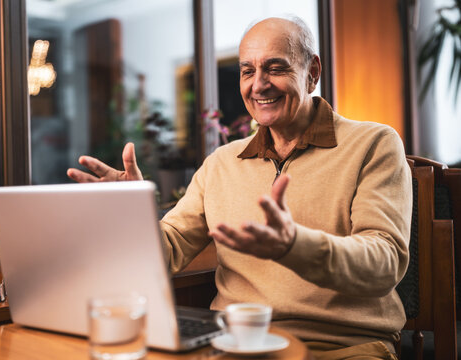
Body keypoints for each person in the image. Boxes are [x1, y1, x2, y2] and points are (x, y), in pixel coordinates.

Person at [68, 16, 411, 360]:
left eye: (275, 68)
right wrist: (131, 214)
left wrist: (294, 245)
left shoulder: (374, 144)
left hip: (338, 345)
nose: (259, 85)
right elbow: (169, 250)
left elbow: (385, 262)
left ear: (313, 72)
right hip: (231, 344)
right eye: (248, 71)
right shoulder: (221, 162)